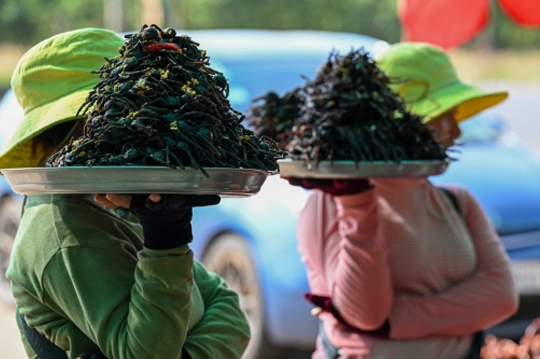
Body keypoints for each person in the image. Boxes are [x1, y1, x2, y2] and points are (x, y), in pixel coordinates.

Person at [0, 28, 250, 359]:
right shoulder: (67, 235)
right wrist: (165, 241)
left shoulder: (124, 207)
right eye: (122, 114)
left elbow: (228, 309)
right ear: (76, 132)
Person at [288, 42, 518, 359]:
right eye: (443, 115)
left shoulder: (458, 203)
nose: (455, 130)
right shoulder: (330, 202)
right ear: (398, 123)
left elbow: (501, 297)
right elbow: (365, 313)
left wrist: (393, 322)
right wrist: (356, 203)